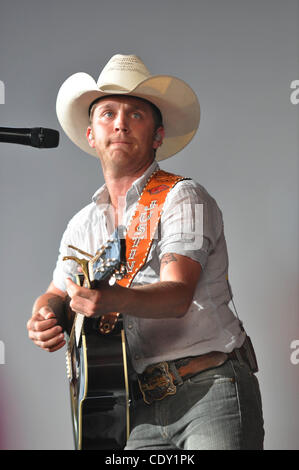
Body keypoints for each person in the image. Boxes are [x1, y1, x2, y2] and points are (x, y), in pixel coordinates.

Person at [27, 54, 264, 450]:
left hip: (208, 389)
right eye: (107, 113)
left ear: (157, 136)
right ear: (91, 135)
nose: (119, 122)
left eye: (135, 114)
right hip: (130, 408)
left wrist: (109, 299)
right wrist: (46, 315)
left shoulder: (182, 197)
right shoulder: (82, 224)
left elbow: (177, 296)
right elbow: (57, 291)